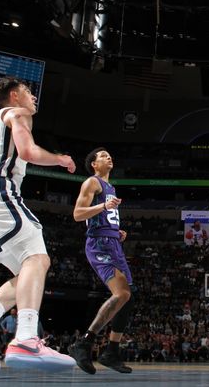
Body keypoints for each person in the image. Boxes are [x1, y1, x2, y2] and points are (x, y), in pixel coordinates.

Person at [0, 76, 76, 372]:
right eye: (28, 92)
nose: (33, 97)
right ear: (14, 95)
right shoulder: (18, 114)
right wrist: (61, 160)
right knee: (38, 258)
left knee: (26, 273)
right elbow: (28, 153)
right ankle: (26, 339)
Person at [68, 147, 133, 374]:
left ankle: (111, 352)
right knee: (121, 294)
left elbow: (103, 217)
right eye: (103, 155)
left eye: (109, 154)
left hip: (112, 242)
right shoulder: (91, 182)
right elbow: (78, 214)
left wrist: (117, 231)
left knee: (127, 298)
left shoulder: (110, 188)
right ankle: (84, 342)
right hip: (98, 244)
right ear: (94, 164)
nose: (108, 157)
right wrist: (104, 206)